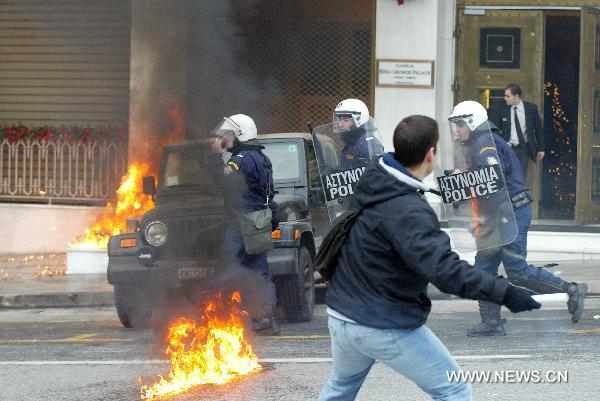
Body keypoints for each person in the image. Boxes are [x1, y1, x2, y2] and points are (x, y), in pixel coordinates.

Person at [319, 114, 542, 401]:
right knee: (454, 389)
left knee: (340, 389)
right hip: (378, 320)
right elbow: (446, 271)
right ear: (431, 153)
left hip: (340, 315)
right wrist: (506, 293)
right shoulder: (410, 210)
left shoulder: (375, 180)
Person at [448, 101, 587, 337]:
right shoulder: (480, 142)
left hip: (508, 212)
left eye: (460, 125)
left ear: (472, 122)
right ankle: (492, 323)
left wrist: (465, 178)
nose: (457, 130)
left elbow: (492, 179)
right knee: (483, 270)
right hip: (498, 214)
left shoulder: (485, 143)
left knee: (517, 270)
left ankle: (572, 290)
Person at [211, 113, 280, 335]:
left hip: (242, 222)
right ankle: (265, 318)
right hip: (259, 221)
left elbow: (224, 182)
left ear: (241, 134)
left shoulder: (239, 160)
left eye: (229, 134)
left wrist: (216, 157)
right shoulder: (262, 158)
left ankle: (217, 313)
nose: (225, 138)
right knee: (258, 269)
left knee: (229, 264)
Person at [488, 83, 545, 176]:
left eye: (508, 96)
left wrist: (541, 148)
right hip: (508, 148)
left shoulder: (531, 109)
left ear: (516, 96)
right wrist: (502, 142)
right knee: (507, 175)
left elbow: (538, 129)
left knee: (520, 176)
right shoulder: (502, 109)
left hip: (524, 149)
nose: (505, 98)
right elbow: (495, 128)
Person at [333, 98, 384, 170]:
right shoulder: (351, 142)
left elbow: (376, 175)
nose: (340, 124)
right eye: (339, 120)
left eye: (345, 120)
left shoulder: (370, 145)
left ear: (359, 120)